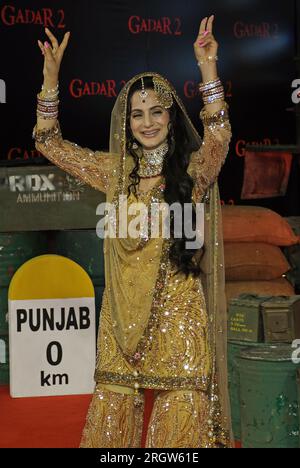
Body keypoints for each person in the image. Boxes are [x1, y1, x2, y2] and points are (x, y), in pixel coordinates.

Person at [32, 15, 233, 448]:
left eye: (156, 112)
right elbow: (50, 144)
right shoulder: (116, 171)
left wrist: (208, 68)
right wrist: (51, 81)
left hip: (180, 322)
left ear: (170, 116)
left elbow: (218, 136)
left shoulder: (195, 170)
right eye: (137, 114)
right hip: (122, 324)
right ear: (126, 122)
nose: (146, 123)